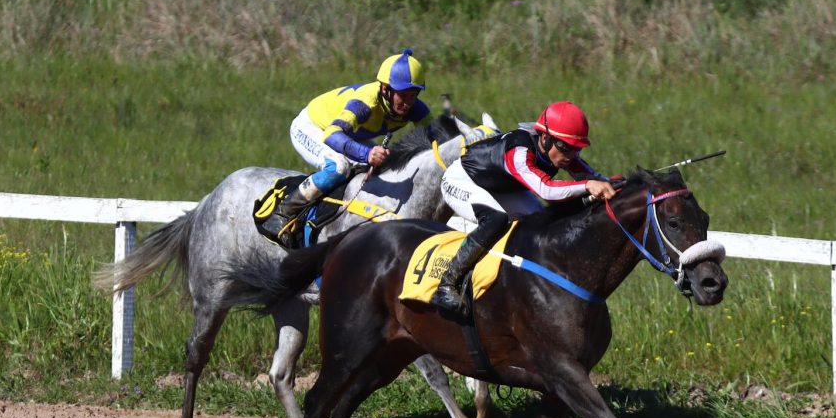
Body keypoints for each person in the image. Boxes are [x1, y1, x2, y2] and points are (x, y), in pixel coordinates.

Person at [432, 100, 617, 316]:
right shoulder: (519, 151)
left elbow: (593, 177)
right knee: (496, 220)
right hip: (463, 180)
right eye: (566, 148)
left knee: (541, 223)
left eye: (576, 149)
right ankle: (447, 283)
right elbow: (546, 190)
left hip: (501, 187)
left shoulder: (561, 151)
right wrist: (587, 186)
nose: (570, 155)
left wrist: (618, 185)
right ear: (545, 138)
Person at [256, 48, 433, 246]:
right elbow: (332, 135)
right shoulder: (365, 104)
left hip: (349, 134)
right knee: (338, 167)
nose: (408, 103)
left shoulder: (416, 109)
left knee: (384, 169)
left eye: (413, 95)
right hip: (314, 127)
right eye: (403, 95)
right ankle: (283, 213)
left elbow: (439, 141)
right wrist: (367, 154)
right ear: (385, 89)